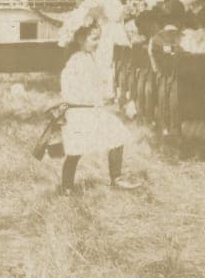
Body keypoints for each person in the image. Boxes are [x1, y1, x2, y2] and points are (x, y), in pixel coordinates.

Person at [52, 23, 143, 193]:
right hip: (79, 111)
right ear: (80, 39)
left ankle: (116, 178)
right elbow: (72, 89)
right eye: (94, 38)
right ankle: (67, 187)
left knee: (117, 133)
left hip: (89, 109)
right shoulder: (77, 60)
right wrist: (92, 101)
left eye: (99, 38)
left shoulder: (87, 57)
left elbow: (94, 85)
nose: (97, 42)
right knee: (75, 150)